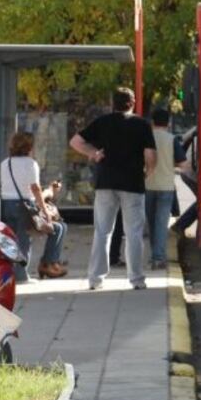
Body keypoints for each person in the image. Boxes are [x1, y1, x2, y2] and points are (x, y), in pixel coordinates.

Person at [70, 87, 156, 291]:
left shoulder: (102, 122)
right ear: (132, 103)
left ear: (112, 103)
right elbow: (151, 156)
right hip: (133, 183)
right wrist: (147, 173)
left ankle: (95, 279)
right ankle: (136, 279)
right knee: (133, 233)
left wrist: (93, 153)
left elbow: (75, 141)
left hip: (105, 183)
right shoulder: (142, 124)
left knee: (102, 231)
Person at [0, 131, 68, 281]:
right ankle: (22, 275)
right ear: (29, 146)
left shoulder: (5, 163)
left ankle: (14, 273)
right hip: (24, 205)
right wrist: (44, 210)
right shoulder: (30, 164)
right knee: (24, 240)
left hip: (6, 204)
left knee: (12, 239)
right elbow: (35, 189)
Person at [145, 109, 184, 269]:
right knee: (161, 223)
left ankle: (155, 254)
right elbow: (183, 163)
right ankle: (158, 258)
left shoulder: (145, 138)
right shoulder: (172, 139)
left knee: (152, 223)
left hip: (147, 186)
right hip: (166, 187)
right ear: (168, 123)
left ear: (152, 122)